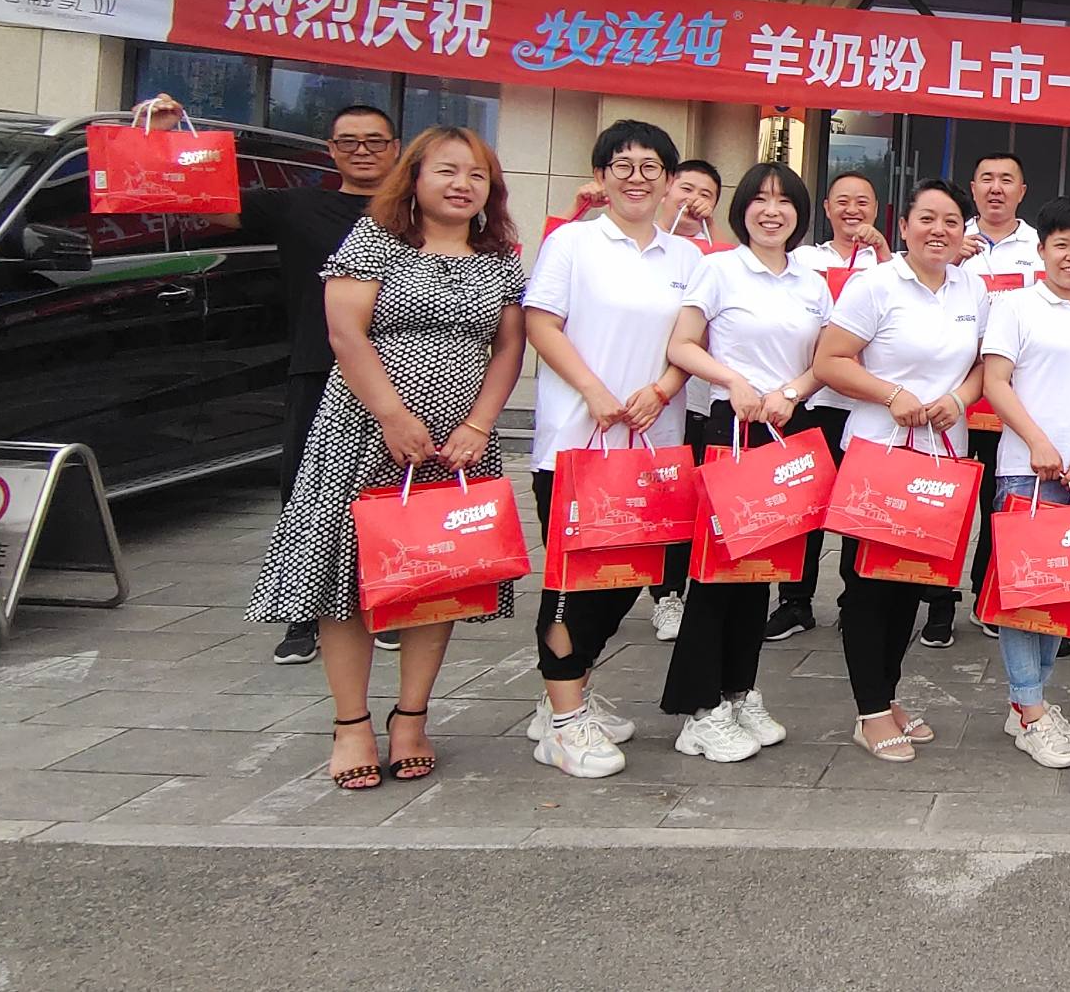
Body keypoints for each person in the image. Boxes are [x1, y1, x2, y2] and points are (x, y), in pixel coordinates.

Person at [245, 126, 527, 789]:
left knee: (437, 577)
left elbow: (509, 347)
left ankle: (411, 717)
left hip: (456, 449)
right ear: (415, 177)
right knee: (345, 578)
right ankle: (350, 724)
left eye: (477, 175)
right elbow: (345, 333)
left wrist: (480, 425)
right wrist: (393, 416)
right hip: (362, 434)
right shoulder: (374, 239)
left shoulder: (499, 258)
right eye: (447, 171)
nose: (462, 185)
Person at [138, 94, 400, 666]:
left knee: (390, 489)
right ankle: (303, 615)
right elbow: (200, 203)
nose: (362, 151)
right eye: (349, 142)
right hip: (319, 364)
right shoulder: (296, 205)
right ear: (331, 150)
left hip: (403, 371)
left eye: (375, 142)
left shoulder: (417, 211)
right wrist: (165, 138)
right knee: (305, 490)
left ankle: (387, 601)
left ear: (396, 149)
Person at [520, 120, 698, 779]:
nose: (636, 177)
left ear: (669, 180)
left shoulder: (687, 258)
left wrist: (665, 387)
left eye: (651, 166)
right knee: (573, 585)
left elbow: (693, 341)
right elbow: (542, 323)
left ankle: (562, 698)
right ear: (601, 175)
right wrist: (594, 391)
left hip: (651, 448)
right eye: (622, 164)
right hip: (578, 443)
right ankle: (566, 724)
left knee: (625, 581)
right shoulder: (572, 242)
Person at [656, 163, 829, 763]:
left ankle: (739, 689)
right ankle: (699, 709)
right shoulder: (720, 269)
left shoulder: (811, 281)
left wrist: (792, 392)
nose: (771, 211)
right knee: (716, 572)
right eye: (760, 199)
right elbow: (681, 344)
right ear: (743, 209)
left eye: (784, 201)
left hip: (786, 429)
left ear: (799, 213)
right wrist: (734, 381)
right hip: (731, 428)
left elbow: (825, 359)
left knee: (762, 569)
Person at [811, 181, 988, 764]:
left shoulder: (972, 287)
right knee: (869, 586)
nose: (939, 230)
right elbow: (830, 360)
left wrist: (960, 399)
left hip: (941, 456)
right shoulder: (875, 285)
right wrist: (892, 394)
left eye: (952, 221)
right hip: (877, 457)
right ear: (904, 224)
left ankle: (886, 696)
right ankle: (870, 711)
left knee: (912, 581)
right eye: (927, 218)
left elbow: (983, 366)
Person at [976, 197, 1070, 769]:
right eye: (1061, 244)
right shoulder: (1014, 307)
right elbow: (996, 381)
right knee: (1024, 592)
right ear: (1041, 251)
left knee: (1067, 590)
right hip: (1026, 468)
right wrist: (1037, 441)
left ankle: (1028, 702)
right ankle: (1032, 710)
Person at [769, 170, 890, 643]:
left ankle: (853, 602)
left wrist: (883, 253)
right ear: (825, 208)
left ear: (877, 209)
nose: (852, 210)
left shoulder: (891, 263)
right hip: (813, 399)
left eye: (862, 201)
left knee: (861, 507)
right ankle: (795, 601)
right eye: (842, 201)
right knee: (804, 502)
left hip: (868, 403)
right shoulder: (803, 259)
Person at [956, 151, 1041, 639]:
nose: (996, 188)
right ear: (973, 188)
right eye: (986, 179)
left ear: (1021, 191)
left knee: (1001, 498)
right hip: (953, 392)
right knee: (949, 498)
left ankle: (987, 594)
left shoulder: (1039, 248)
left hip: (1009, 396)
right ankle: (939, 600)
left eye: (1006, 179)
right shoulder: (949, 237)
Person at [649, 158, 727, 642]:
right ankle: (666, 595)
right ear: (666, 189)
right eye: (687, 189)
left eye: (707, 195)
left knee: (693, 498)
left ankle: (688, 589)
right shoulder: (647, 247)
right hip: (643, 395)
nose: (694, 201)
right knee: (663, 500)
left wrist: (713, 232)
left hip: (696, 399)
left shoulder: (713, 257)